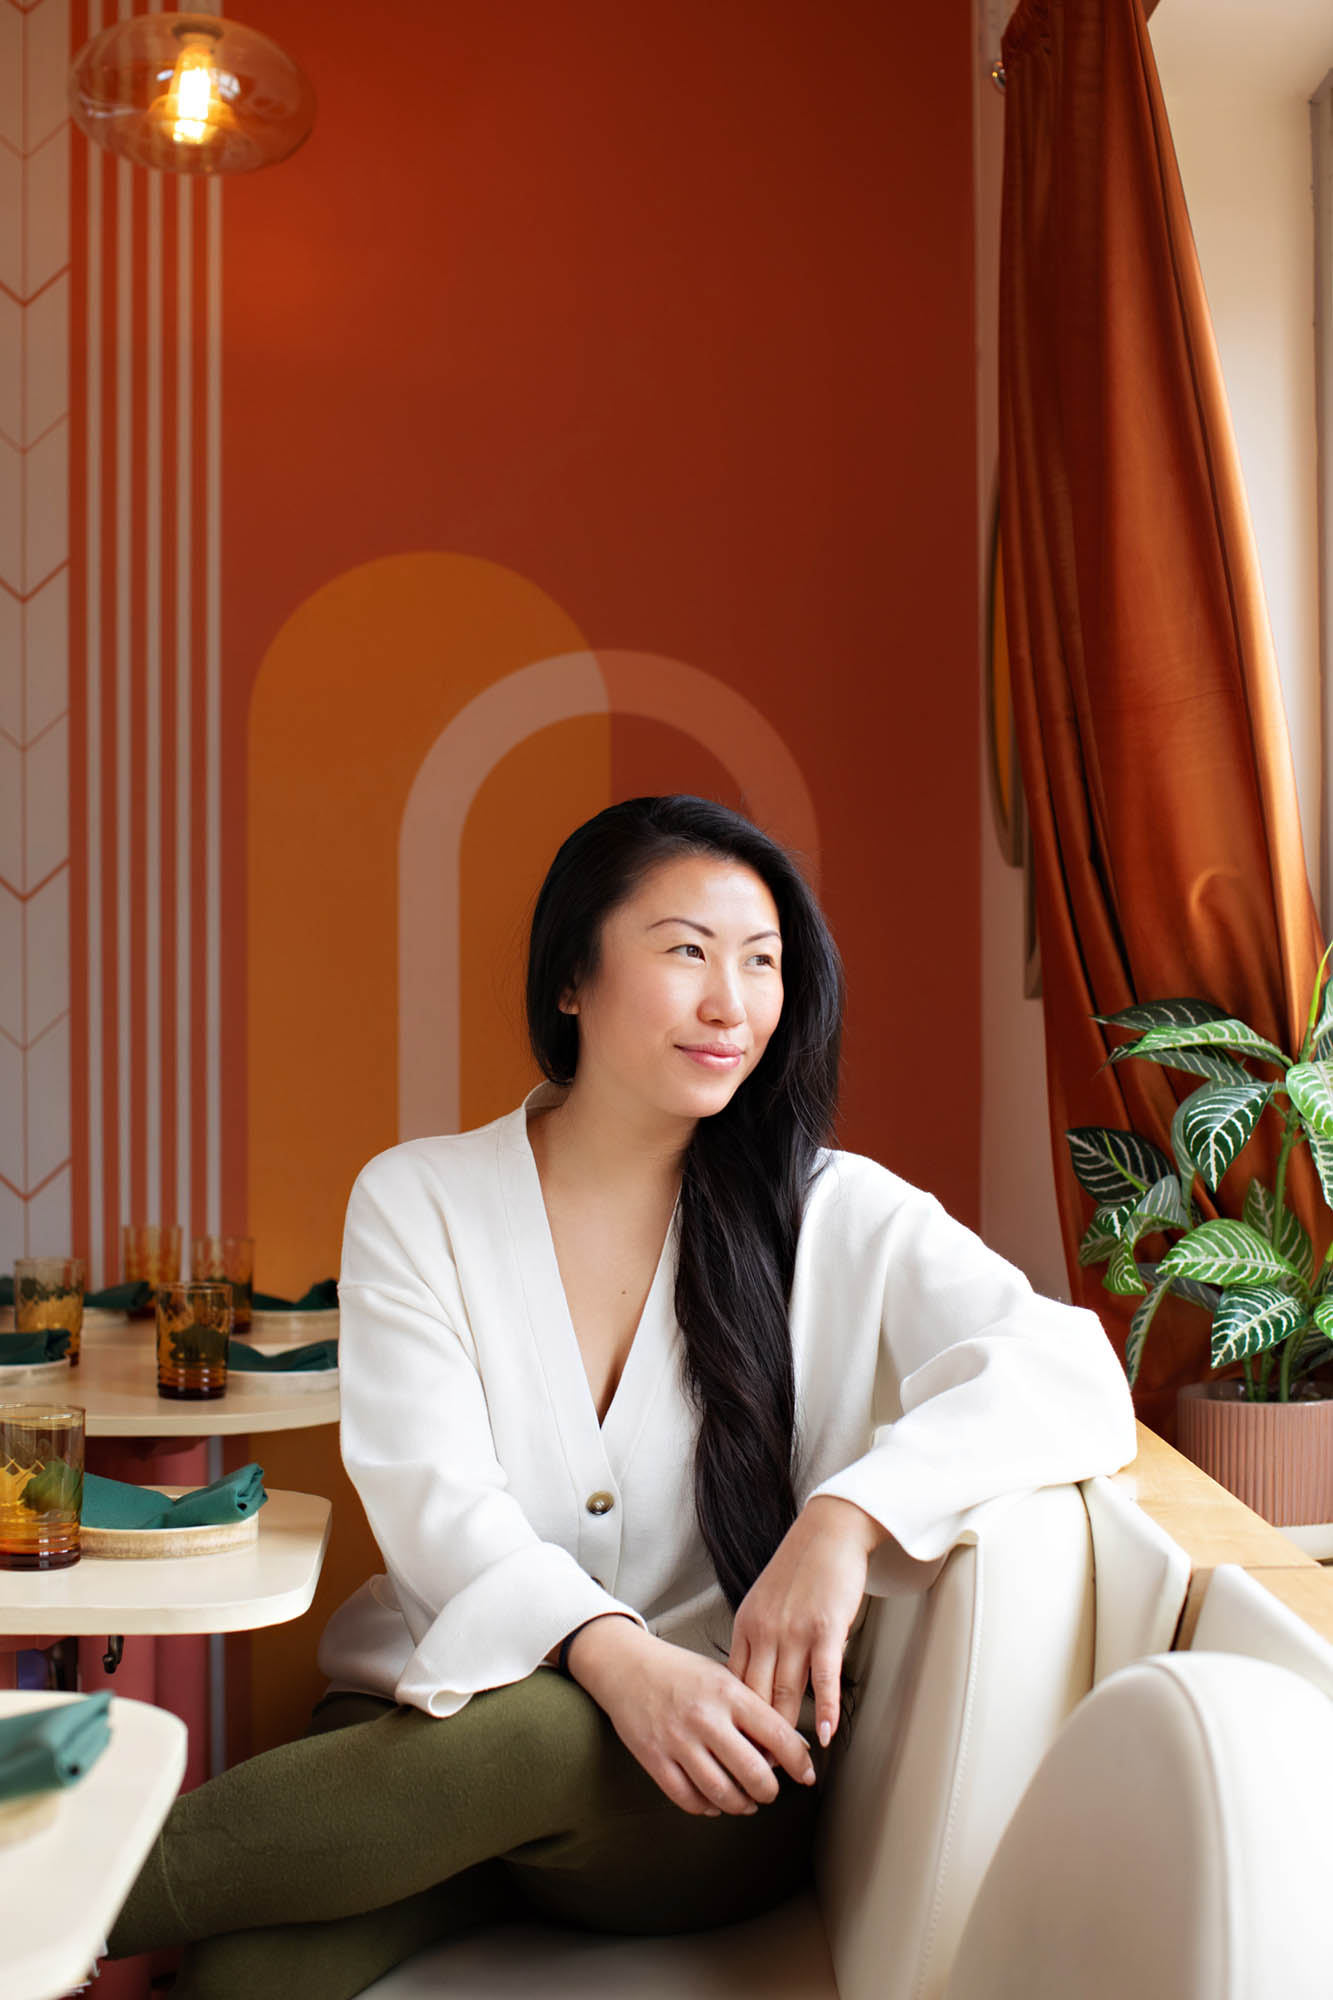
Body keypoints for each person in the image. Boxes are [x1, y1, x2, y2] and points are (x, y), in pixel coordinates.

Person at [107, 794, 1136, 1997]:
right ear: (571, 981)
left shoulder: (833, 1209)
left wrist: (846, 1514)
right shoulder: (419, 1199)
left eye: (762, 963)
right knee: (246, 1971)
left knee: (543, 1729)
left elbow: (1068, 1366)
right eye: (686, 951)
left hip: (698, 1794)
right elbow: (434, 1498)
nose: (731, 1004)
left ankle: (38, 1886)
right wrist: (607, 1651)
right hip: (426, 1742)